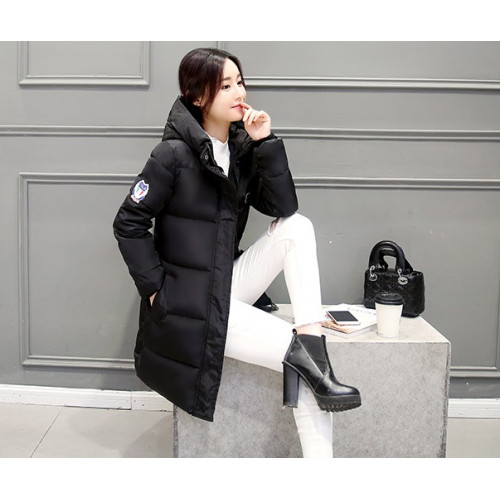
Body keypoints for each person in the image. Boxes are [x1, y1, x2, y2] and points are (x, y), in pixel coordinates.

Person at [113, 47, 361, 458]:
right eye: (224, 85)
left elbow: (284, 208)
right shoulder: (171, 155)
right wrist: (156, 291)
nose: (238, 92)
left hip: (224, 284)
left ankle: (311, 337)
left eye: (240, 82)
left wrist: (266, 143)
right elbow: (128, 223)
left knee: (297, 227)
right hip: (187, 302)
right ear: (197, 97)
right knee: (301, 363)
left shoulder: (242, 151)